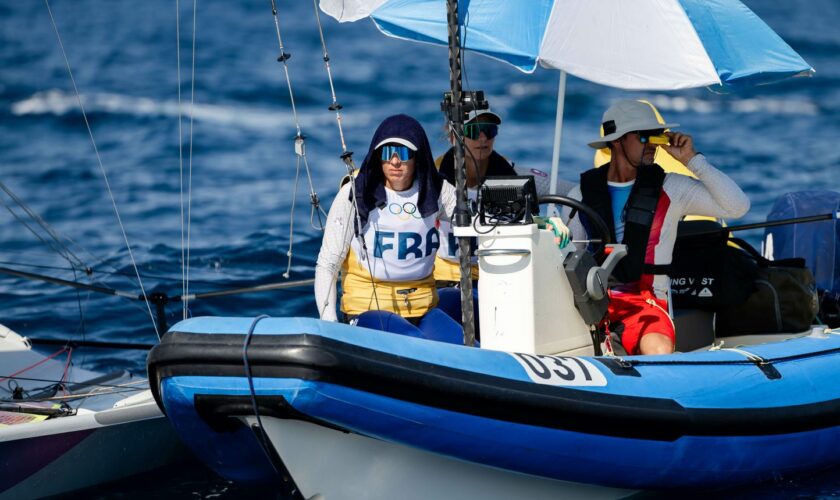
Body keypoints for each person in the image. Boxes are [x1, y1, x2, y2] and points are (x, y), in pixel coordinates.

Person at [566, 99, 750, 355]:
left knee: (658, 349)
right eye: (645, 137)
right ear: (618, 141)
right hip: (594, 303)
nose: (654, 143)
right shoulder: (580, 194)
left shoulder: (672, 188)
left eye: (656, 136)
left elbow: (737, 206)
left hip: (647, 305)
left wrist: (692, 160)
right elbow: (572, 256)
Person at [314, 114, 463, 343]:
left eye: (403, 153)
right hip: (367, 310)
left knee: (461, 345)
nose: (394, 162)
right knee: (413, 341)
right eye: (387, 153)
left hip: (423, 309)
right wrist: (329, 322)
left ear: (417, 157)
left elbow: (474, 227)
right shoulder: (355, 193)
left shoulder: (439, 190)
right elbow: (327, 264)